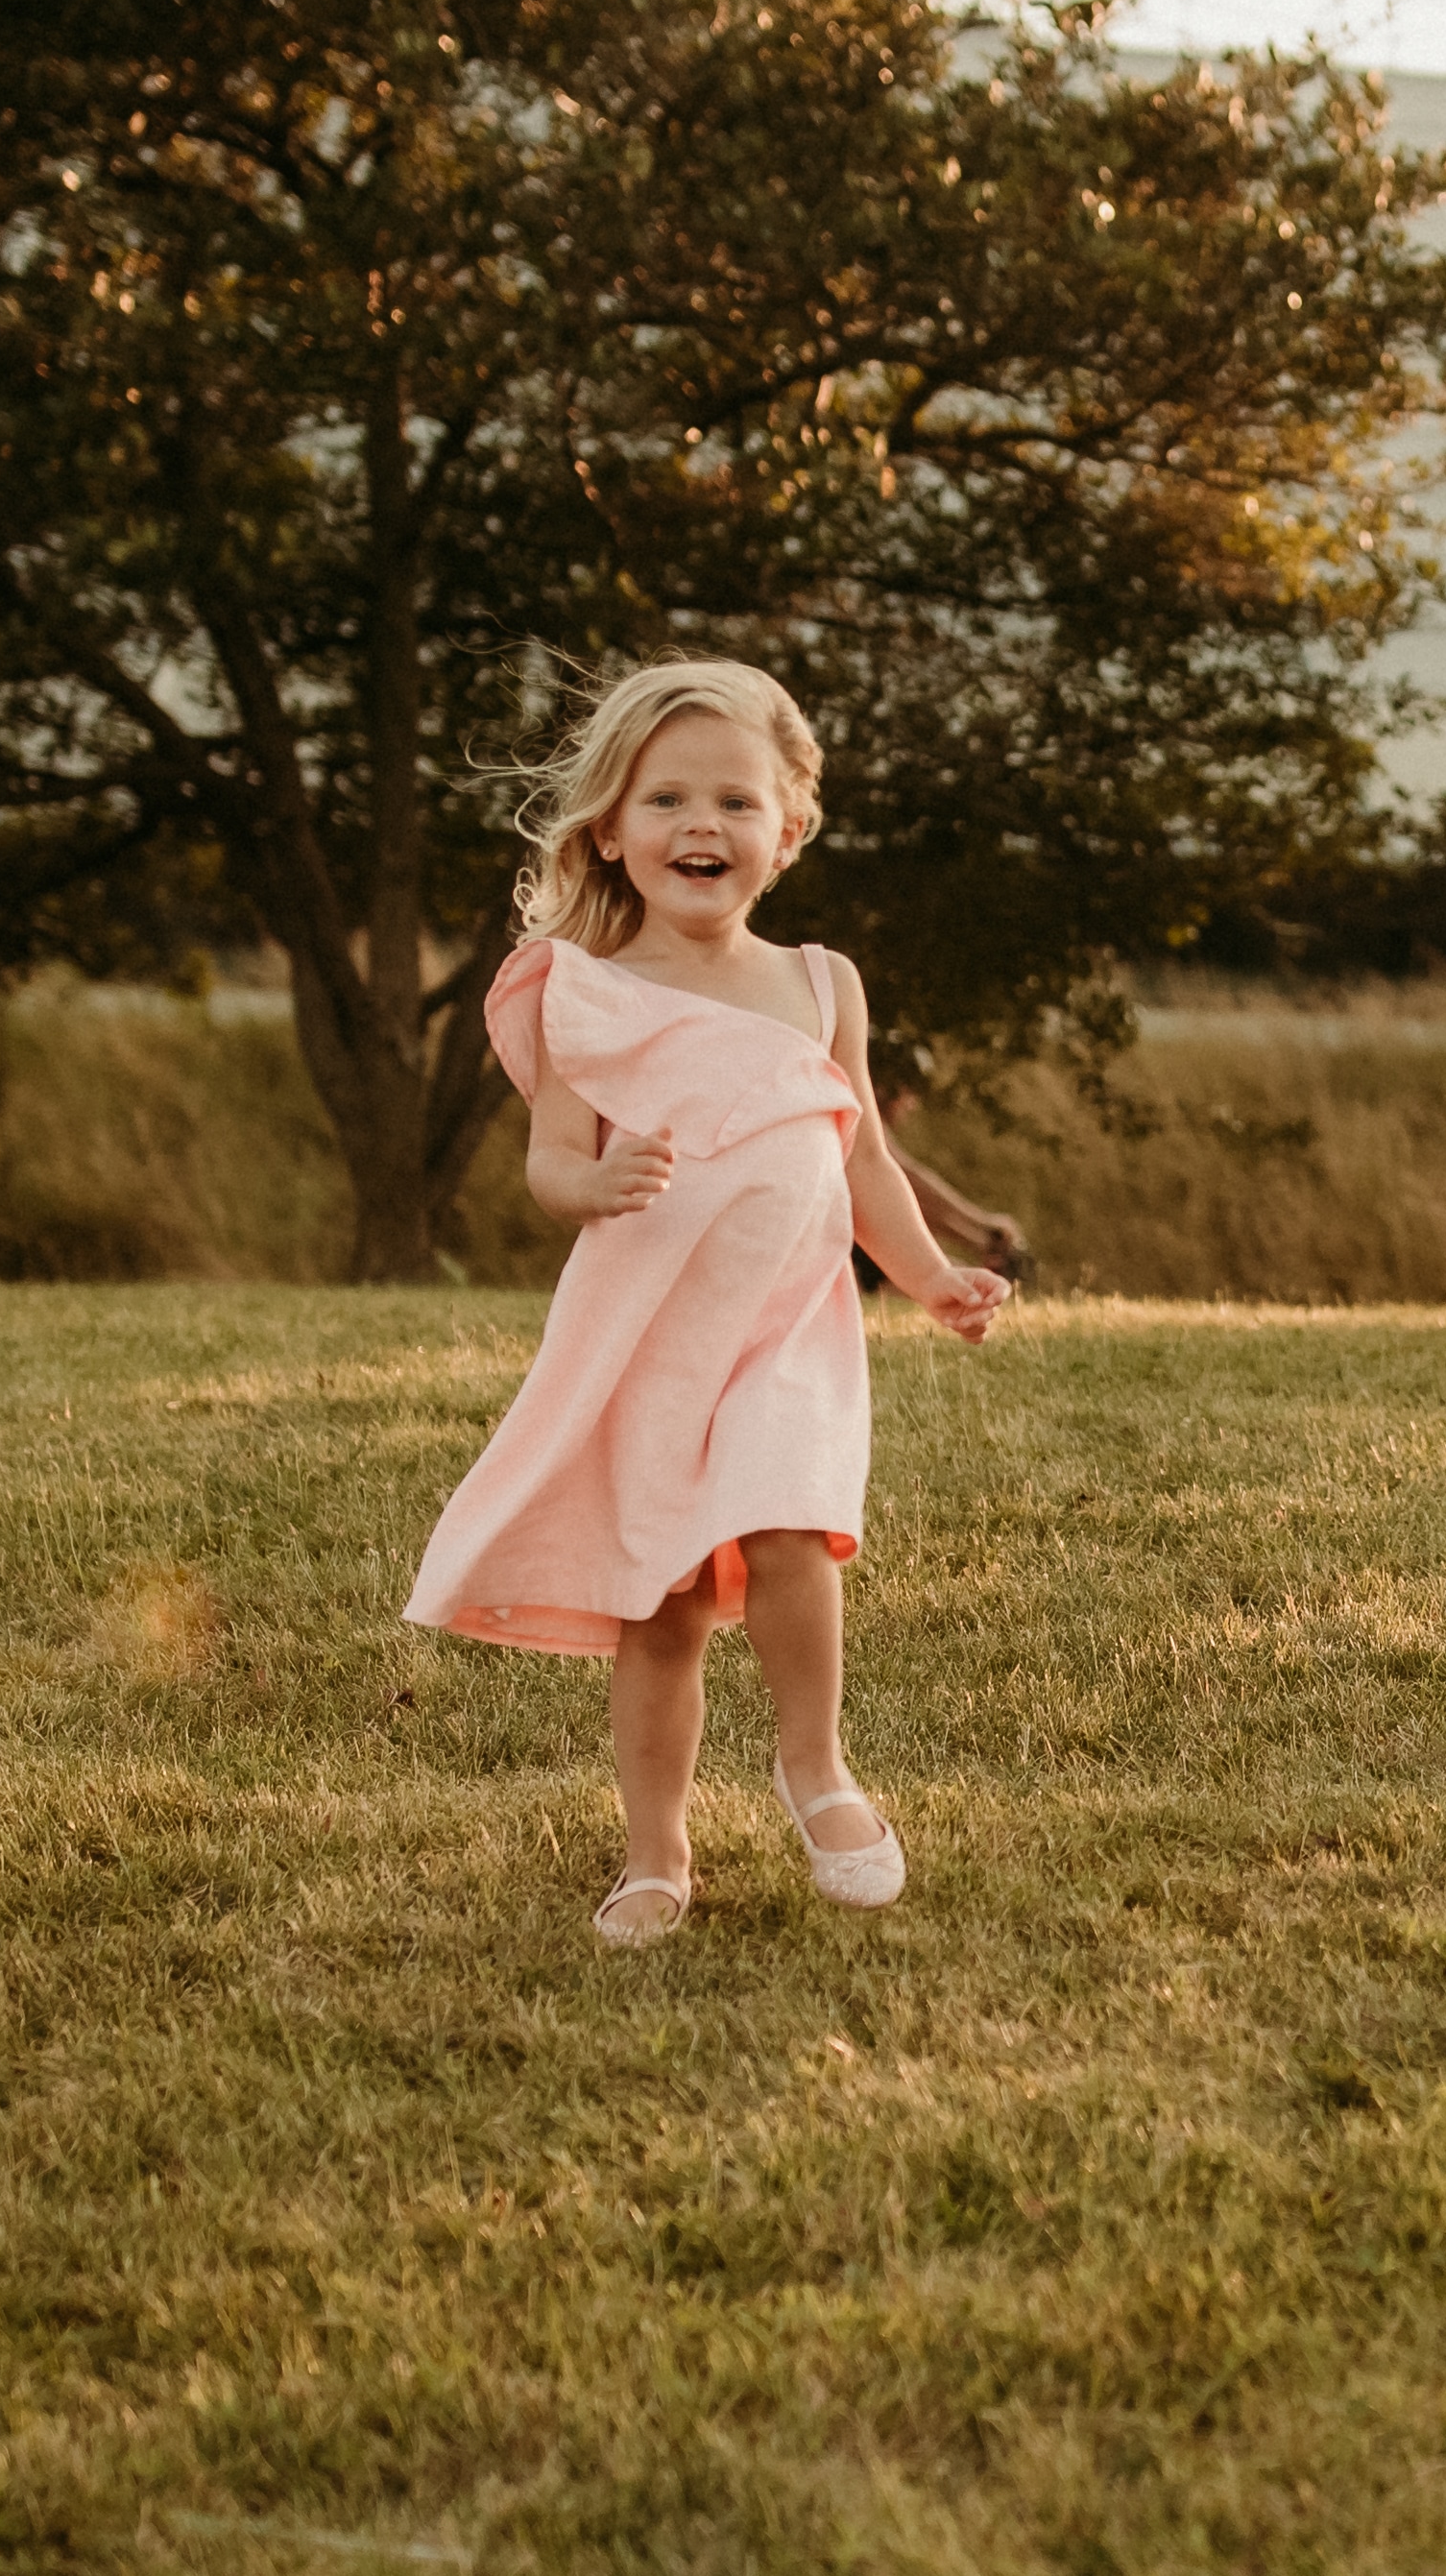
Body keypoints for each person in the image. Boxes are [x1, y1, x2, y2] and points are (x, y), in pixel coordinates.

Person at [401, 660, 1009, 1944]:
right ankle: (655, 1857)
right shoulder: (583, 986)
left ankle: (815, 1768)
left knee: (794, 1526)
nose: (700, 825)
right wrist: (598, 1176)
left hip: (787, 1330)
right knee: (665, 1605)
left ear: (787, 831)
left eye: (735, 801)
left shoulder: (820, 983)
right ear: (611, 830)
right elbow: (549, 1162)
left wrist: (931, 1277)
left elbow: (863, 1158)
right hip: (650, 1342)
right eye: (666, 797)